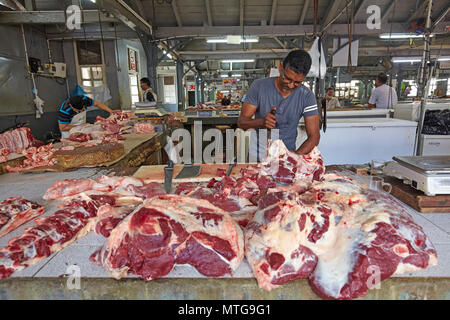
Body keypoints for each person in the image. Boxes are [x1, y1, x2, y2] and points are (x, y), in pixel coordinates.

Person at [238, 49, 320, 159]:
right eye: (287, 78)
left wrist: (293, 158)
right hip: (256, 157)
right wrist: (261, 122)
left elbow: (314, 137)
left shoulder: (307, 96)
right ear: (281, 67)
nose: (291, 86)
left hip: (286, 157)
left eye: (297, 82)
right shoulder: (259, 87)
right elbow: (241, 122)